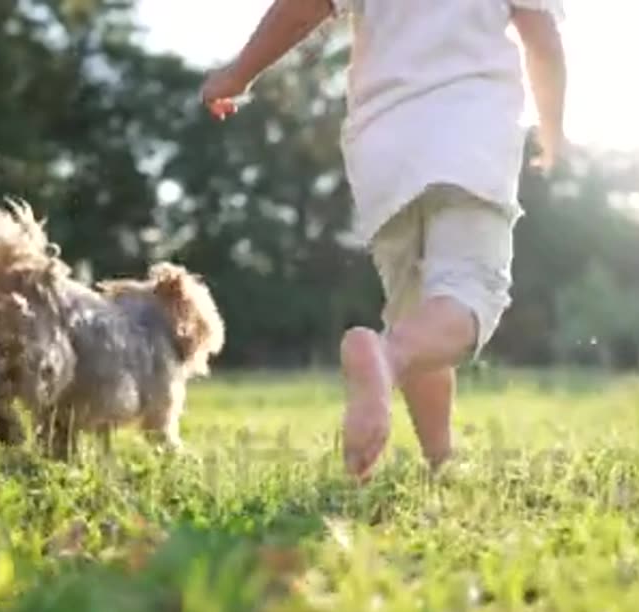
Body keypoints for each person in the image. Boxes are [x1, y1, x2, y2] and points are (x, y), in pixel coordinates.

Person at [201, 0, 567, 479]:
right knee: (467, 294)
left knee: (415, 314)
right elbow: (541, 40)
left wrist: (238, 74)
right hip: (471, 137)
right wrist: (553, 130)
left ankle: (440, 459)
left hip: (384, 147)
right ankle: (385, 358)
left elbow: (302, 8)